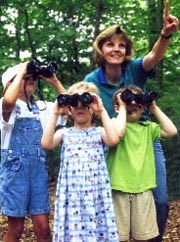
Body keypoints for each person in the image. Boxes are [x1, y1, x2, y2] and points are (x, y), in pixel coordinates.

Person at [84, 1, 179, 241]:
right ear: (101, 49)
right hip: (112, 139)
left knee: (159, 198)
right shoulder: (92, 79)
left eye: (121, 46)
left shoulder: (134, 69)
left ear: (127, 51)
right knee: (112, 197)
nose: (116, 49)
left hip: (144, 137)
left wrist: (165, 35)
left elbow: (154, 56)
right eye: (110, 44)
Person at [41, 81, 126, 242]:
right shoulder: (64, 133)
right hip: (71, 192)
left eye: (85, 103)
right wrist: (55, 114)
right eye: (75, 103)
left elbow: (113, 140)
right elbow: (46, 143)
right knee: (73, 228)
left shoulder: (99, 132)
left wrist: (101, 111)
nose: (80, 107)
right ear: (69, 108)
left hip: (95, 191)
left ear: (92, 107)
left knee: (96, 224)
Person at [0, 61, 67, 242]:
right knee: (16, 227)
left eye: (32, 78)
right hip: (15, 172)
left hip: (37, 171)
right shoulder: (6, 106)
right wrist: (22, 70)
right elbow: (8, 103)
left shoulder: (42, 108)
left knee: (43, 227)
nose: (30, 80)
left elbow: (70, 107)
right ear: (9, 84)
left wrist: (54, 81)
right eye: (25, 78)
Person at [107, 85, 177, 241]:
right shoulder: (112, 125)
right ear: (117, 107)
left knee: (143, 236)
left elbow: (171, 131)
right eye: (127, 101)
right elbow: (117, 134)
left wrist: (153, 107)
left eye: (137, 101)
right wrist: (123, 109)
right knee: (118, 237)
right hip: (117, 188)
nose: (132, 104)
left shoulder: (148, 128)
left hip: (143, 189)